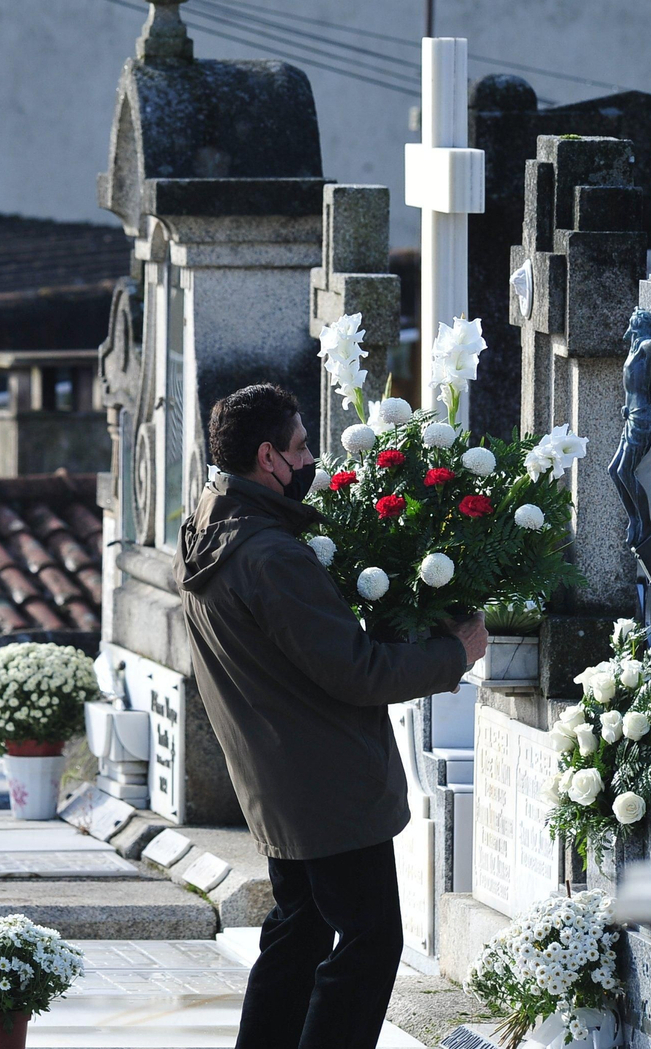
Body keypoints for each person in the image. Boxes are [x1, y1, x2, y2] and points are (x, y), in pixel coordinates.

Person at [174, 384, 488, 1049]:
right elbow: (357, 671)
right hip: (328, 785)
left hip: (280, 781)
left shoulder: (211, 526)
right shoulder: (272, 555)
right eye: (300, 447)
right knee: (370, 944)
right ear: (268, 457)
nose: (312, 458)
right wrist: (450, 653)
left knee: (302, 932)